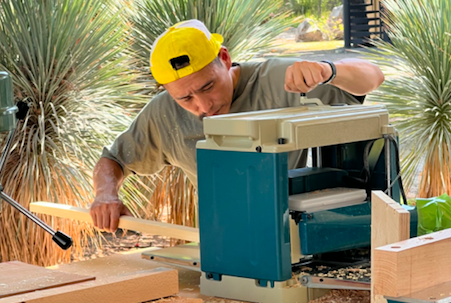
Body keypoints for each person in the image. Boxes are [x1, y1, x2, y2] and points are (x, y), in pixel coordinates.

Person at [90, 20, 384, 232]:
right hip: (220, 241)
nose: (203, 106)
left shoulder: (279, 80)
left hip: (294, 233)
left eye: (208, 86)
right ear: (168, 91)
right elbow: (113, 160)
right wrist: (106, 194)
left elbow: (373, 76)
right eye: (186, 98)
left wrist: (328, 70)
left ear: (224, 58)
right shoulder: (161, 114)